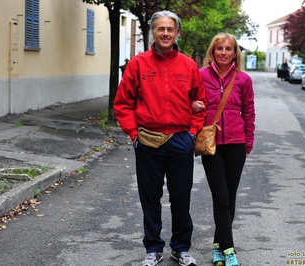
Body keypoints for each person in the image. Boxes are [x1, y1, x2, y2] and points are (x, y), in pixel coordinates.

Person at [113, 10, 206, 266]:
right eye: (160, 29)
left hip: (180, 140)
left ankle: (180, 248)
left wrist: (193, 133)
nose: (165, 33)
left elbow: (201, 103)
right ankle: (153, 248)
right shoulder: (138, 64)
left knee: (181, 197)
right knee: (150, 197)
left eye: (170, 29)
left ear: (177, 33)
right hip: (148, 141)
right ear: (153, 32)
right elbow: (123, 103)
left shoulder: (188, 66)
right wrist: (134, 134)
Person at [193, 33, 255, 266]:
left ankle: (218, 245)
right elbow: (190, 105)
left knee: (229, 198)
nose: (224, 53)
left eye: (229, 49)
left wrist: (248, 142)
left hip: (236, 145)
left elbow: (249, 112)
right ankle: (229, 250)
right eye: (219, 48)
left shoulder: (243, 80)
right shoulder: (200, 76)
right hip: (212, 145)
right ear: (213, 51)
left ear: (234, 53)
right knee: (220, 197)